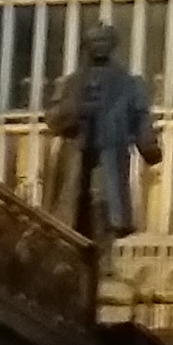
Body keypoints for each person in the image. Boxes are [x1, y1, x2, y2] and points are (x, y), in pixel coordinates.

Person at [45, 20, 161, 240]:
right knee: (74, 209)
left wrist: (149, 146)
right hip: (77, 156)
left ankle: (103, 251)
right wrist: (76, 110)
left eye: (104, 41)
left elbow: (141, 118)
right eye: (95, 42)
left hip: (111, 155)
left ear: (112, 45)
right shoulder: (71, 83)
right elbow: (52, 119)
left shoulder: (129, 84)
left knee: (105, 208)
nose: (100, 46)